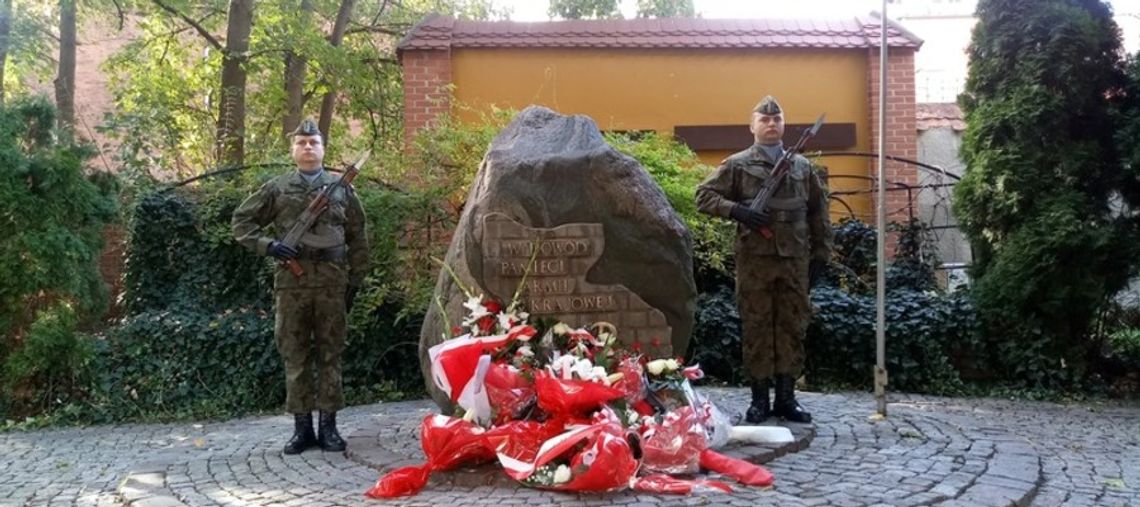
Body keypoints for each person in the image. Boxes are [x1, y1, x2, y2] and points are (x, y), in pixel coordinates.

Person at [232, 118, 370, 453]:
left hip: (332, 283)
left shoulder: (343, 190)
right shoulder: (276, 188)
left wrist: (354, 281)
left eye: (314, 142)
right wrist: (269, 246)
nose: (308, 147)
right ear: (293, 150)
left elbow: (359, 238)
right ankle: (301, 429)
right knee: (294, 354)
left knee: (331, 353)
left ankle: (329, 427)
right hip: (292, 283)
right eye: (302, 142)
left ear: (323, 149)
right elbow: (241, 222)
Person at [695, 96, 832, 424]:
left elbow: (819, 213)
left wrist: (822, 254)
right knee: (756, 327)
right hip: (755, 262)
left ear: (783, 124)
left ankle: (786, 397)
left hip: (795, 261)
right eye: (764, 119)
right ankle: (759, 400)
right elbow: (703, 196)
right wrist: (737, 210)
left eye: (777, 119)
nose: (771, 124)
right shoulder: (737, 164)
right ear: (752, 126)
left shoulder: (802, 167)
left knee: (792, 326)